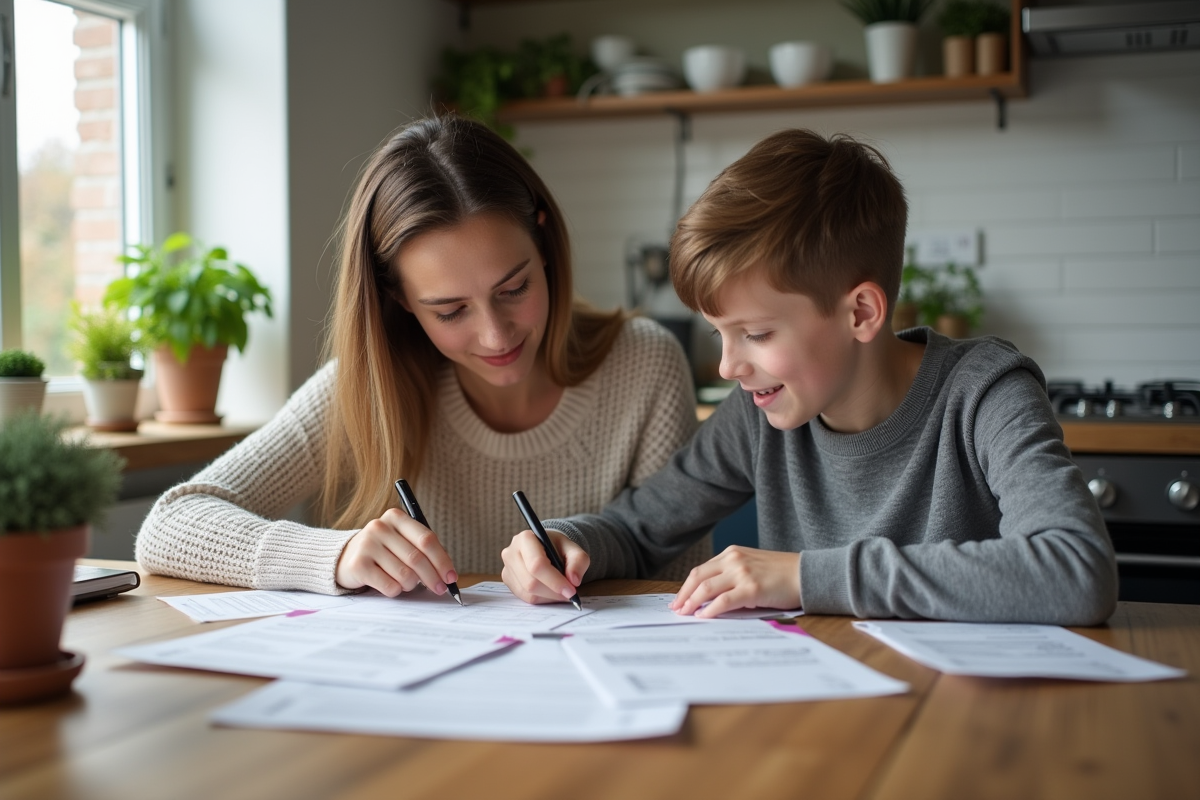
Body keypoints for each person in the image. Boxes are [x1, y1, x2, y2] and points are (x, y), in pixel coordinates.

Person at [500, 128, 1118, 625]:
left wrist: (802, 575)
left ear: (861, 312)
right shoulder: (759, 412)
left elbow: (1075, 570)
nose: (727, 366)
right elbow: (637, 530)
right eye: (721, 333)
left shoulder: (985, 391)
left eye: (758, 334)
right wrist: (559, 541)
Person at [135, 115, 709, 595]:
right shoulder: (367, 386)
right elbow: (171, 523)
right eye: (450, 310)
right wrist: (335, 555)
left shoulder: (644, 365)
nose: (495, 335)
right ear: (400, 299)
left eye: (513, 290)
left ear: (543, 242)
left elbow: (683, 584)